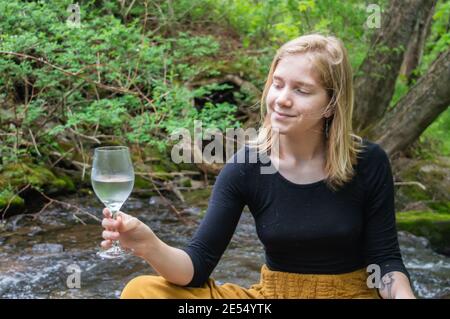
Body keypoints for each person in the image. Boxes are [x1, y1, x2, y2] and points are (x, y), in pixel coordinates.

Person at [101, 33, 416, 299]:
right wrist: (148, 244)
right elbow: (196, 267)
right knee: (142, 290)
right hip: (270, 297)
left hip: (352, 294)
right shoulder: (247, 166)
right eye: (277, 84)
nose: (281, 99)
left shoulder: (368, 161)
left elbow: (386, 261)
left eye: (301, 90)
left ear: (331, 104)